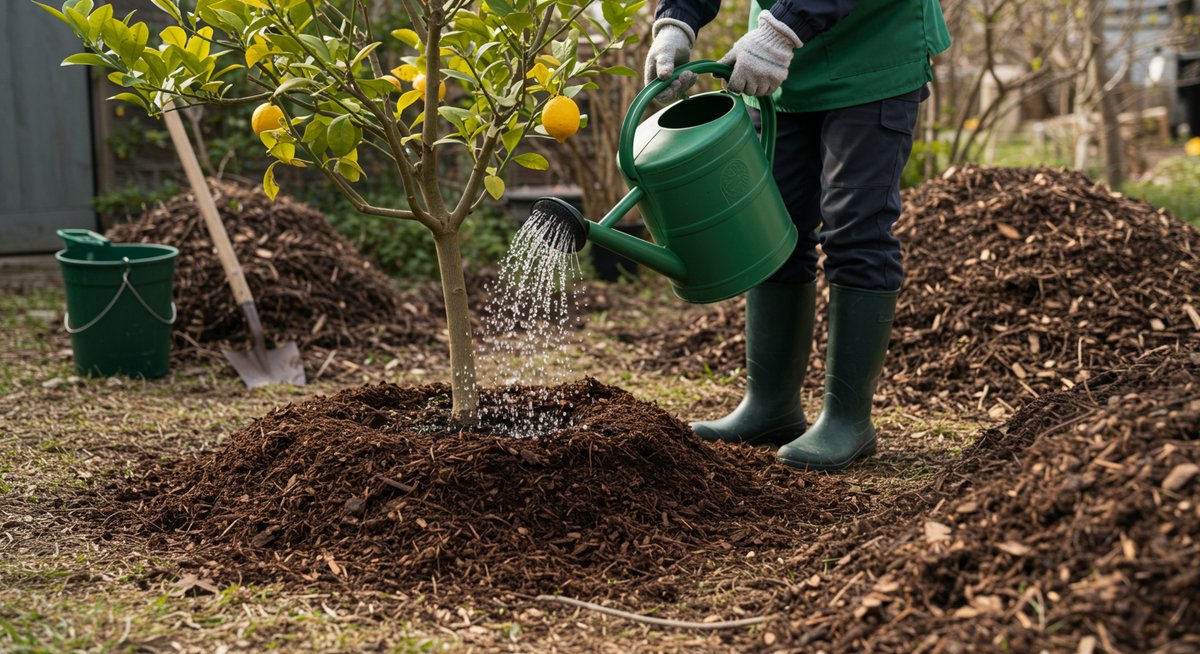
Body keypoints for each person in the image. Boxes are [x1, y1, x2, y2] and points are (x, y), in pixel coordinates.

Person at [644, 0, 951, 470]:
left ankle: (848, 420)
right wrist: (677, 21)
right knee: (774, 226)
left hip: (872, 52)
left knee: (856, 232)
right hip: (776, 64)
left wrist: (781, 32)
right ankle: (771, 406)